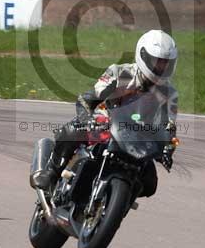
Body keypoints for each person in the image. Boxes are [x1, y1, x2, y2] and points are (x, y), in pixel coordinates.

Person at [32, 29, 179, 196]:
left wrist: (167, 148)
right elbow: (88, 99)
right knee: (72, 130)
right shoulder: (119, 73)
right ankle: (51, 173)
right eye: (157, 61)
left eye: (165, 63)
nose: (162, 67)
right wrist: (85, 118)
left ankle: (118, 199)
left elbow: (168, 127)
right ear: (143, 55)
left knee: (149, 184)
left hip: (137, 138)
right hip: (106, 124)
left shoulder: (169, 93)